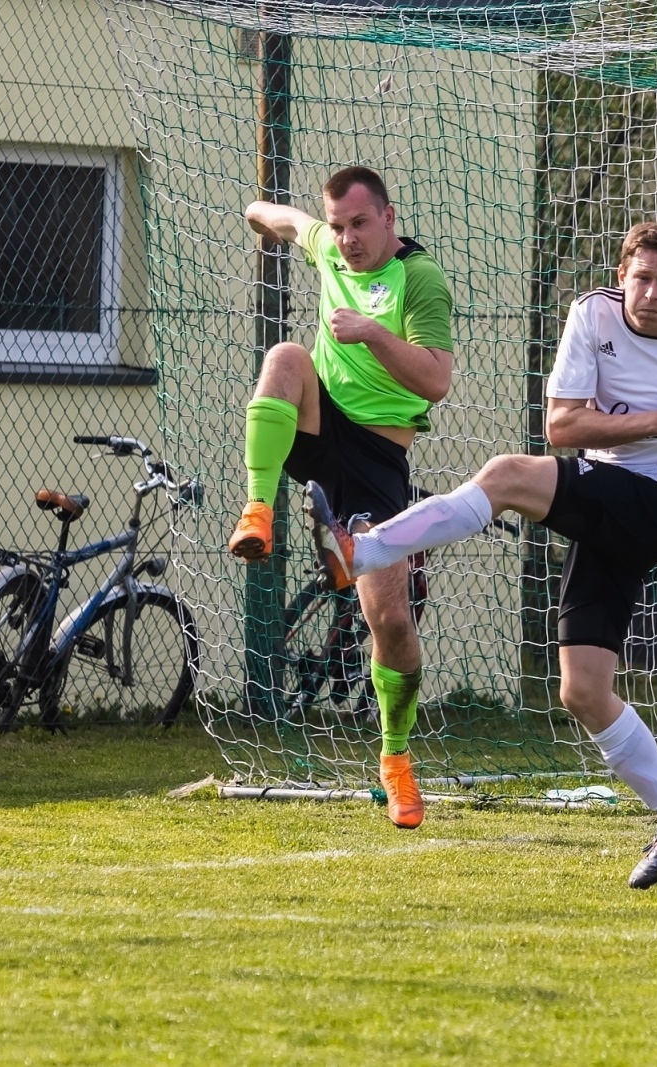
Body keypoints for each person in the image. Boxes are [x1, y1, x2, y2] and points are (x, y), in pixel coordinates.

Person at [304, 222, 657, 888]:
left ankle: (361, 550)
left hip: (655, 508)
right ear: (621, 275)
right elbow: (561, 426)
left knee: (507, 474)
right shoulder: (592, 314)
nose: (651, 293)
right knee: (582, 691)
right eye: (641, 277)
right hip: (603, 501)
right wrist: (654, 422)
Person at [230, 166, 454, 832]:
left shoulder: (419, 279)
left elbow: (437, 380)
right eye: (339, 226)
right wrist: (256, 212)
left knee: (390, 621)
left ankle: (395, 756)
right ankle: (259, 509)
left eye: (360, 224)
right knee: (286, 356)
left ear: (388, 218)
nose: (348, 238)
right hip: (321, 427)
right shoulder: (327, 245)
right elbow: (285, 220)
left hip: (378, 460)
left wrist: (373, 333)